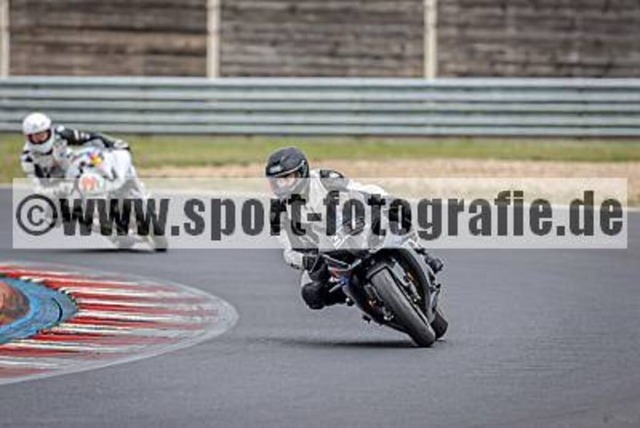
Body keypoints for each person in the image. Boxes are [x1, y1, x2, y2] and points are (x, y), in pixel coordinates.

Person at [265, 146, 443, 310]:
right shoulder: (277, 212)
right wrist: (306, 261)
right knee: (311, 295)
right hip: (322, 253)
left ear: (302, 172)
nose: (282, 185)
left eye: (286, 178)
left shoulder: (324, 178)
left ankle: (421, 252)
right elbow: (288, 251)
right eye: (277, 181)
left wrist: (381, 199)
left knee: (399, 207)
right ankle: (354, 295)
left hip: (351, 226)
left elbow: (357, 189)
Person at [20, 112, 129, 190]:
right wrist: (56, 189)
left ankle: (112, 182)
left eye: (42, 134)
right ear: (28, 137)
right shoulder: (27, 157)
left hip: (72, 166)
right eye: (35, 136)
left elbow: (89, 137)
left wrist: (112, 142)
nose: (40, 138)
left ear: (49, 131)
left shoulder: (61, 134)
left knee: (92, 153)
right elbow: (37, 186)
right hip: (55, 184)